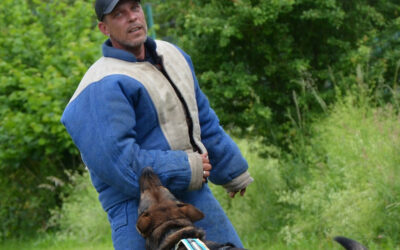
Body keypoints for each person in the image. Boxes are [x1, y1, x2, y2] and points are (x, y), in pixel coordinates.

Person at [61, 0, 254, 249]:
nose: (132, 17)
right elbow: (120, 164)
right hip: (139, 215)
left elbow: (200, 118)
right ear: (104, 28)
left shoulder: (172, 55)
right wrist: (186, 168)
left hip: (192, 198)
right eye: (119, 14)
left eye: (135, 8)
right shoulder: (100, 86)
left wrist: (231, 169)